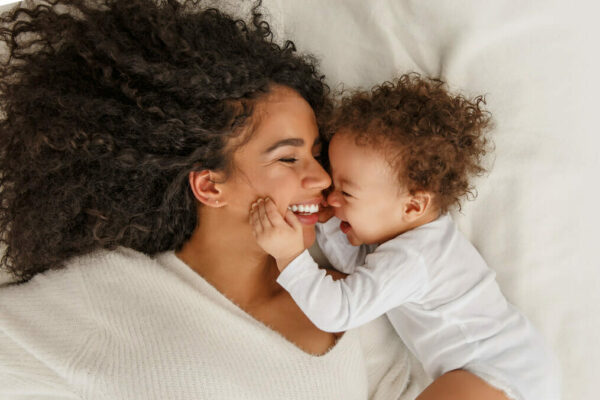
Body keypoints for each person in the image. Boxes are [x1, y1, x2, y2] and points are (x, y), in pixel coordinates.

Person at [0, 1, 525, 399]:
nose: (322, 179)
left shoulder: (362, 294)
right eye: (289, 158)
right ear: (210, 185)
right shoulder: (111, 290)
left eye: (319, 155)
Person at [250, 75, 560, 400]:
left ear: (413, 204)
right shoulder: (410, 239)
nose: (331, 196)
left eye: (347, 192)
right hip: (512, 367)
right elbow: (358, 273)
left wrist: (289, 256)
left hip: (497, 372)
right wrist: (327, 220)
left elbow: (340, 308)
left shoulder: (413, 257)